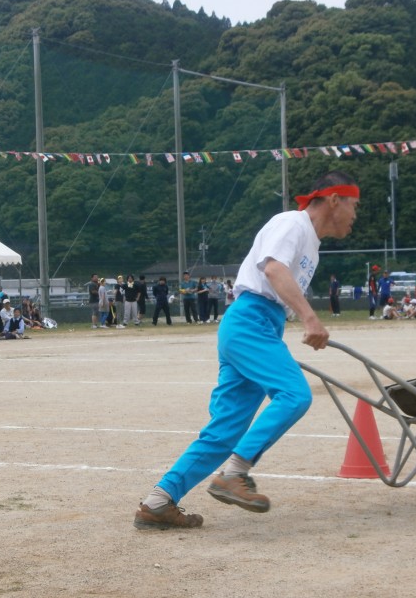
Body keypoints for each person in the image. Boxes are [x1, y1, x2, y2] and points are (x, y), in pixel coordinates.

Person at [133, 170, 360, 530]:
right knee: (294, 393)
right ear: (334, 199)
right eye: (354, 205)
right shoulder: (292, 224)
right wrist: (310, 319)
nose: (355, 215)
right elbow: (272, 269)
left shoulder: (311, 245)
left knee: (225, 430)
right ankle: (235, 473)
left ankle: (159, 501)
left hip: (258, 325)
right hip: (250, 320)